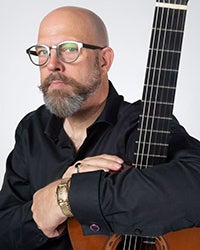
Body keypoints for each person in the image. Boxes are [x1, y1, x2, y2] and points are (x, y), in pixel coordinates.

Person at [0, 5, 200, 250]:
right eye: (43, 52)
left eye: (69, 49)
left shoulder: (144, 124)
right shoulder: (31, 129)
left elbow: (193, 186)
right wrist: (43, 212)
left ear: (104, 60)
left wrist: (68, 196)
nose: (52, 64)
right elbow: (6, 230)